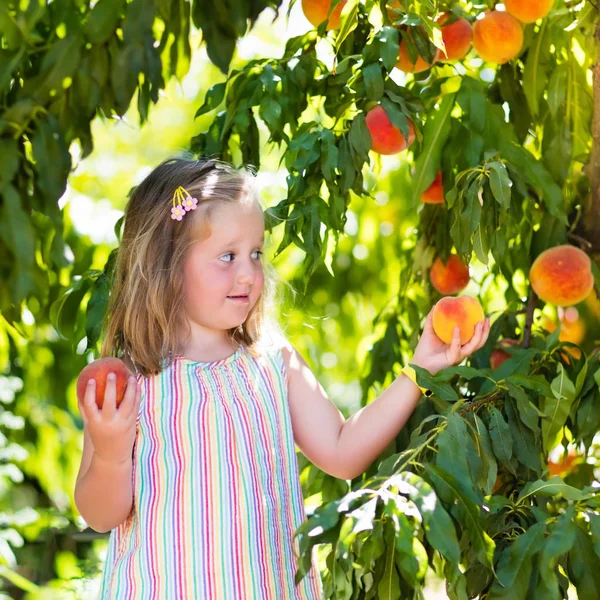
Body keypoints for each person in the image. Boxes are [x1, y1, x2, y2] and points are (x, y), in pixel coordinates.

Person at [74, 156, 490, 600]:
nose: (249, 273)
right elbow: (101, 515)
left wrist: (419, 370)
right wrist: (113, 452)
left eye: (256, 253)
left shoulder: (272, 364)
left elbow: (342, 452)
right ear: (168, 263)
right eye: (227, 256)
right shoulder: (132, 382)